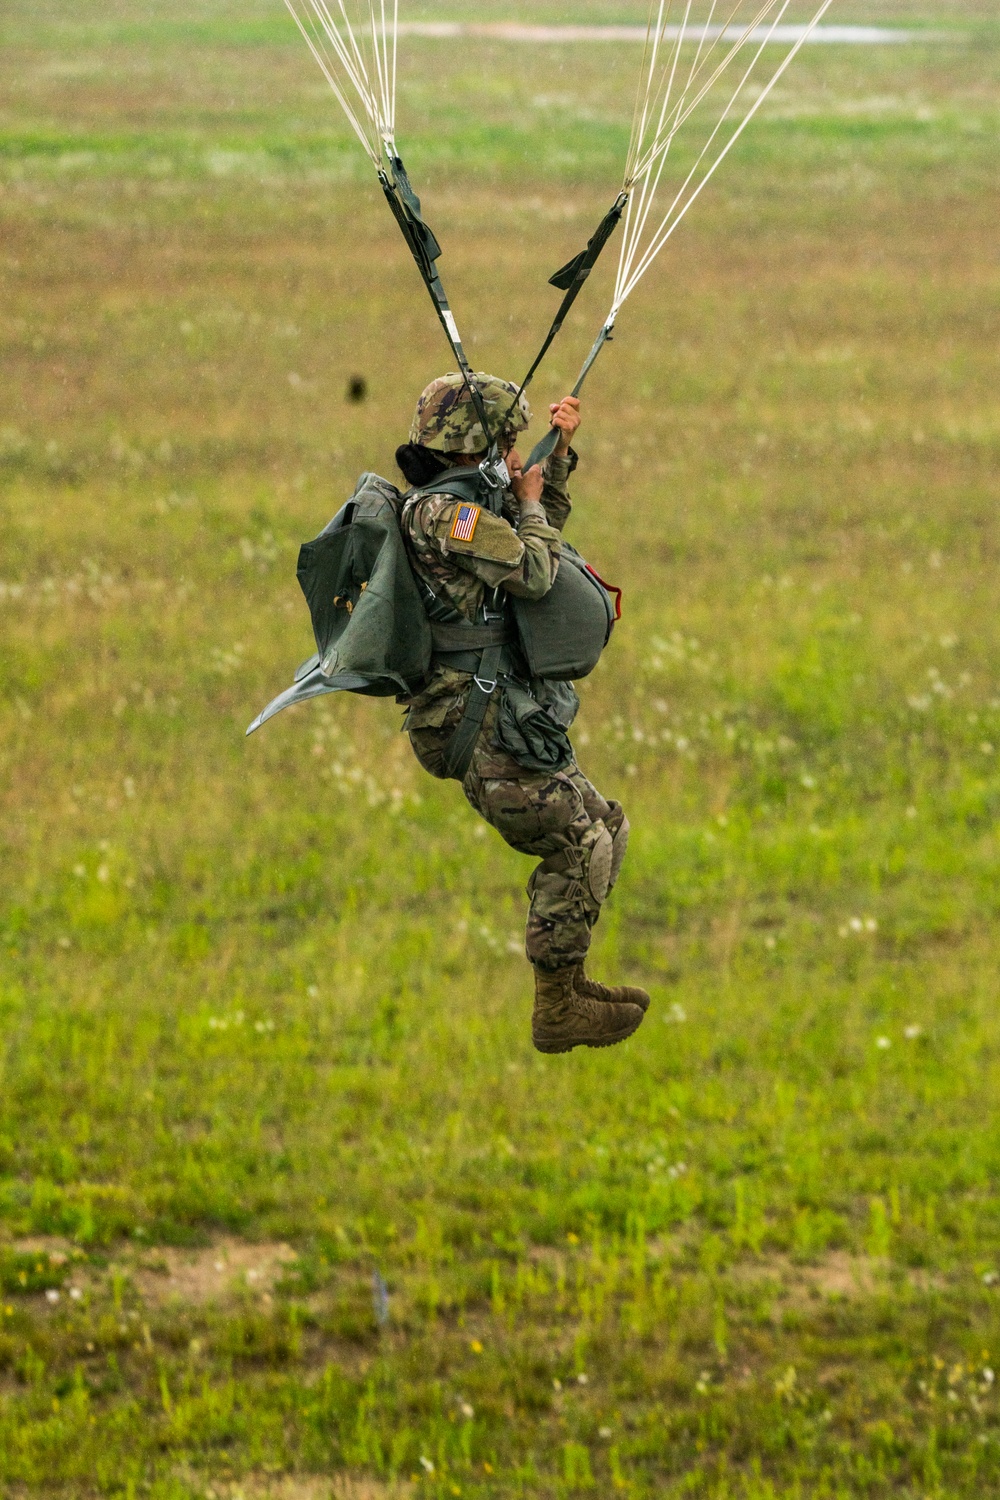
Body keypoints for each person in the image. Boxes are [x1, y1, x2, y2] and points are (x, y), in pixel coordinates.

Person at [396, 372, 650, 1054]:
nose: (517, 455)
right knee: (579, 844)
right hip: (472, 724)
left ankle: (568, 978)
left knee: (606, 829)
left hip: (502, 710)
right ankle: (557, 1006)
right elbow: (535, 572)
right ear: (475, 447)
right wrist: (528, 503)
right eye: (509, 442)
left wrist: (555, 461)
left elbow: (540, 543)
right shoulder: (446, 517)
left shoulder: (473, 504)